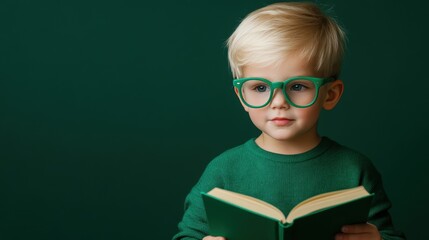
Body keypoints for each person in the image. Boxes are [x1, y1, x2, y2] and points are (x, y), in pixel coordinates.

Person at [172, 2, 406, 240]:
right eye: (260, 87)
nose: (278, 102)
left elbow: (388, 234)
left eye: (297, 86)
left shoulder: (356, 170)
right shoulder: (222, 170)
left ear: (330, 94)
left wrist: (377, 238)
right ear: (242, 96)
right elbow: (187, 236)